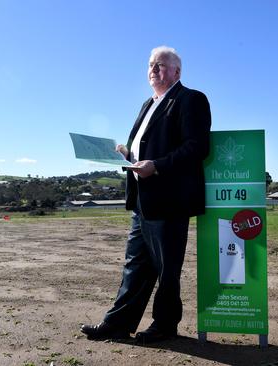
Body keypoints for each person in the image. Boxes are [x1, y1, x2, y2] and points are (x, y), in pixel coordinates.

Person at [81, 46, 211, 344]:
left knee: (166, 269)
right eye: (151, 65)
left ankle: (165, 326)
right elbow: (148, 148)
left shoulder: (191, 99)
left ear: (177, 72)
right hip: (142, 200)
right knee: (135, 265)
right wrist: (128, 155)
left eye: (161, 65)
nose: (154, 69)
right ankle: (116, 324)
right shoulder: (147, 104)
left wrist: (158, 166)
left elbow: (197, 147)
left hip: (169, 199)